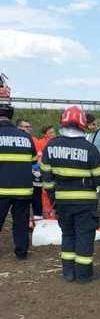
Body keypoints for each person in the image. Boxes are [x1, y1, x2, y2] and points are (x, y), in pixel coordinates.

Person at [41, 106, 100, 283]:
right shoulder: (90, 149)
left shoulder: (51, 146)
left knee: (68, 235)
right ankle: (84, 274)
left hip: (62, 202)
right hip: (85, 203)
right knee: (84, 236)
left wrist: (53, 201)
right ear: (83, 124)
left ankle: (68, 272)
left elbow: (47, 180)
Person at [0, 87, 37, 260]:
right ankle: (21, 252)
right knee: (21, 223)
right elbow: (32, 161)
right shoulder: (26, 137)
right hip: (23, 190)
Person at [16, 119, 43, 220]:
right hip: (22, 176)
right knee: (23, 202)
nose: (28, 129)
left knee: (37, 199)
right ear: (18, 128)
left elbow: (39, 157)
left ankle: (37, 221)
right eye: (26, 127)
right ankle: (25, 221)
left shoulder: (35, 140)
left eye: (29, 127)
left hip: (36, 174)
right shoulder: (16, 141)